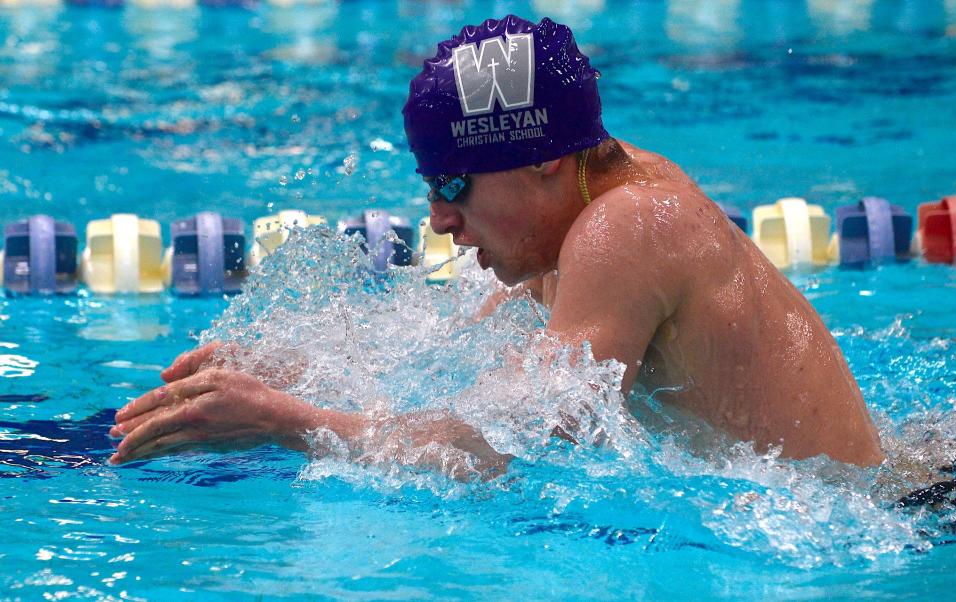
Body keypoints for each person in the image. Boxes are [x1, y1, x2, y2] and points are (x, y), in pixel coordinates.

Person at [109, 15, 884, 476]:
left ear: (540, 158)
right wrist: (303, 367)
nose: (440, 222)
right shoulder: (597, 198)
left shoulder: (629, 229)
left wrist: (288, 420)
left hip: (876, 526)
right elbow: (475, 356)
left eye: (453, 187)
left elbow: (504, 452)